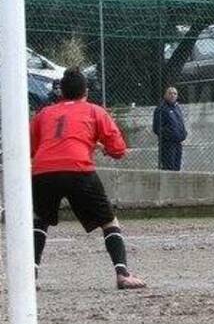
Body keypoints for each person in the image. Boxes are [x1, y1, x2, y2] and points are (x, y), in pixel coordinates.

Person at [30, 68, 146, 290]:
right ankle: (122, 274)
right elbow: (119, 149)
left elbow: (33, 147)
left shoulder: (44, 113)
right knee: (109, 222)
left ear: (61, 92)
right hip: (78, 169)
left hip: (44, 170)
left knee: (39, 220)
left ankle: (30, 277)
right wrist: (102, 148)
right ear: (86, 91)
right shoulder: (94, 111)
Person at [152, 86, 187, 171]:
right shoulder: (161, 109)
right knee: (169, 169)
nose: (172, 95)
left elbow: (180, 123)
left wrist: (184, 134)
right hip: (167, 145)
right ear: (165, 95)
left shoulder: (177, 108)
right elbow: (156, 128)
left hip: (178, 144)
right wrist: (170, 136)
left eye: (175, 93)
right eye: (170, 93)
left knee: (177, 168)